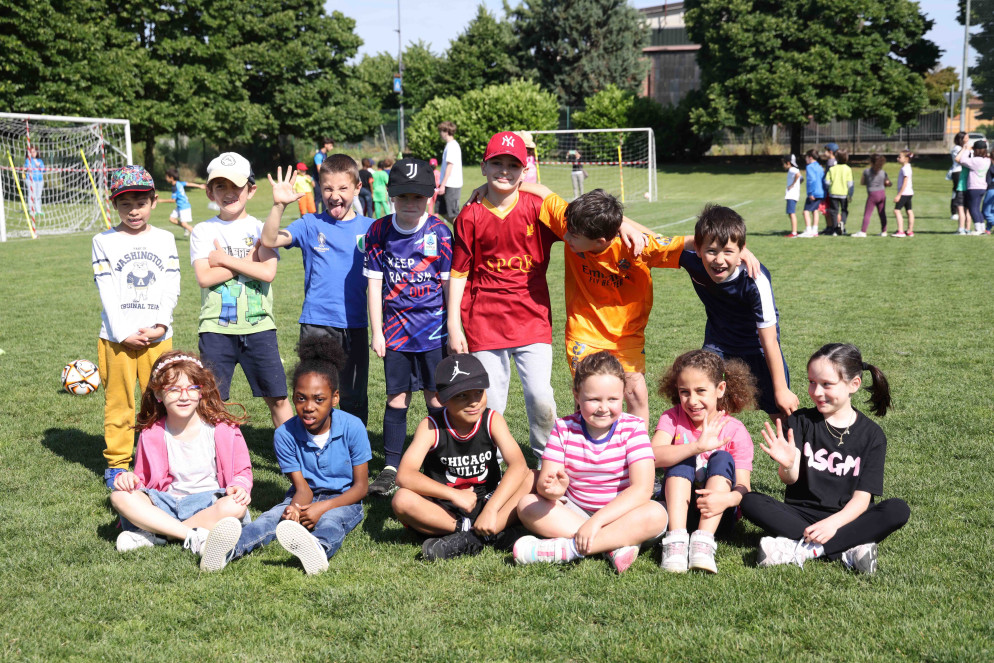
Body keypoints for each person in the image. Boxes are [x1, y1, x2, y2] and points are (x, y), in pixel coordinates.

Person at [511, 182, 682, 425]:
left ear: (601, 240)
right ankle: (586, 455)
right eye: (567, 230)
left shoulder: (636, 246)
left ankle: (638, 456)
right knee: (587, 396)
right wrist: (489, 188)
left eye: (574, 236)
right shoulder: (575, 223)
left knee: (636, 393)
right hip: (584, 332)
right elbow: (545, 192)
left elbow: (689, 243)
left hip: (626, 335)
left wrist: (742, 250)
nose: (565, 237)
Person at [198, 336, 372, 574]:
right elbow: (303, 488)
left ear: (335, 398)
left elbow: (361, 487)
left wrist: (323, 508)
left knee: (332, 522)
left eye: (319, 399)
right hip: (304, 494)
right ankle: (227, 551)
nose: (308, 406)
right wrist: (295, 508)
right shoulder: (285, 434)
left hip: (344, 498)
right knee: (269, 519)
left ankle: (318, 549)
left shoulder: (353, 427)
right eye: (300, 398)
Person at [741, 343, 910, 574]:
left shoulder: (872, 435)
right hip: (800, 513)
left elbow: (862, 500)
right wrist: (788, 464)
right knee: (750, 501)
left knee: (897, 509)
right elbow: (789, 480)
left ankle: (803, 550)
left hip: (847, 517)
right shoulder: (800, 421)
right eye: (812, 382)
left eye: (826, 384)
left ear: (854, 385)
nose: (816, 392)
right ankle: (848, 550)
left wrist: (833, 525)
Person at [447, 131, 560, 459]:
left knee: (541, 396)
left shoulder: (537, 207)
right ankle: (491, 464)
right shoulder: (470, 215)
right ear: (483, 167)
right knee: (491, 401)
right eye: (497, 162)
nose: (504, 170)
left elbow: (576, 220)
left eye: (514, 165)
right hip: (484, 319)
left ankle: (545, 460)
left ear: (525, 172)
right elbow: (458, 272)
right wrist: (454, 324)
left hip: (532, 317)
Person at [514, 352, 668, 574]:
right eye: (594, 399)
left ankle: (568, 548)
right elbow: (547, 482)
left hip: (623, 513)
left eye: (612, 399)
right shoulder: (563, 428)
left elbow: (642, 490)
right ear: (577, 395)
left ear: (623, 395)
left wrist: (596, 523)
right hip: (575, 512)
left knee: (657, 514)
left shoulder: (633, 428)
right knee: (527, 505)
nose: (603, 407)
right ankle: (614, 544)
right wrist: (552, 491)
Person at [260, 154, 375, 425]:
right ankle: (313, 451)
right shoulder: (310, 224)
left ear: (357, 188)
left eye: (343, 188)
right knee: (315, 394)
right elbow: (269, 239)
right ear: (319, 189)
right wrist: (278, 205)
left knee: (353, 396)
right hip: (316, 325)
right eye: (328, 189)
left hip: (355, 324)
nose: (335, 195)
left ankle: (352, 453)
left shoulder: (371, 229)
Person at [364, 157, 453, 496]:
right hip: (396, 332)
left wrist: (453, 329)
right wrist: (377, 331)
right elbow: (373, 284)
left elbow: (447, 287)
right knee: (397, 398)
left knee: (436, 397)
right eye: (404, 197)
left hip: (433, 333)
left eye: (418, 197)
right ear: (392, 197)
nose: (411, 204)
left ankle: (439, 459)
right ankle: (391, 465)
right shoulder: (379, 231)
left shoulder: (440, 232)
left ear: (430, 197)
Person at [110, 351, 252, 559]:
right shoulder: (151, 434)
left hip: (209, 503)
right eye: (174, 390)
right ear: (159, 395)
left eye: (192, 388)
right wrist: (130, 479)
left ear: (201, 391)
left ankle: (157, 534)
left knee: (235, 506)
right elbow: (145, 482)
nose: (184, 396)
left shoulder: (224, 429)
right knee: (119, 496)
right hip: (166, 502)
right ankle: (192, 536)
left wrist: (239, 486)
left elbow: (242, 470)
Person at [392, 354, 531, 560]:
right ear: (441, 399)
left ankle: (475, 536)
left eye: (479, 392)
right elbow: (404, 475)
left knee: (533, 477)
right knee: (401, 499)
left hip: (489, 501)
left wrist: (491, 509)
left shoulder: (492, 420)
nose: (474, 402)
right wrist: (454, 496)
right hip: (445, 510)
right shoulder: (431, 426)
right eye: (462, 396)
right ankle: (476, 532)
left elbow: (519, 466)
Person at [93, 165, 181, 488]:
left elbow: (171, 285)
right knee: (120, 402)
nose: (133, 210)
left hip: (157, 337)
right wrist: (122, 333)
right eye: (125, 203)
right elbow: (106, 291)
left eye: (140, 202)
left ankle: (157, 458)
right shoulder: (103, 241)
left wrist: (160, 325)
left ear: (154, 201)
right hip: (116, 340)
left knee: (159, 400)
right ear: (113, 204)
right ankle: (117, 463)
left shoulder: (166, 238)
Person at [190, 152, 292, 428]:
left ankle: (297, 461)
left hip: (259, 328)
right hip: (216, 330)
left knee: (279, 398)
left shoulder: (261, 228)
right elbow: (204, 277)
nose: (229, 193)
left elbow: (267, 272)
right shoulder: (202, 230)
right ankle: (213, 463)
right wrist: (248, 262)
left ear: (251, 189)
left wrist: (224, 260)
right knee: (212, 402)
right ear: (209, 191)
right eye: (220, 186)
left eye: (237, 185)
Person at [679, 204, 799, 420]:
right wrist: (621, 223)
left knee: (782, 416)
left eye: (728, 251)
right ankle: (707, 452)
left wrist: (781, 389)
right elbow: (653, 241)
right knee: (702, 407)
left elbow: (770, 341)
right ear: (698, 248)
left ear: (741, 249)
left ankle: (795, 453)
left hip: (758, 348)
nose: (719, 260)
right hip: (718, 345)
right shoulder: (692, 260)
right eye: (711, 250)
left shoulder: (755, 279)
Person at [652, 350, 757, 574]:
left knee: (722, 457)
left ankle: (703, 543)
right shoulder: (672, 418)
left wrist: (727, 499)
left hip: (717, 515)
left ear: (720, 389)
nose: (692, 401)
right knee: (682, 456)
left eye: (700, 391)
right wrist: (696, 447)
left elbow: (743, 486)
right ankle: (676, 542)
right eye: (684, 392)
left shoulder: (735, 430)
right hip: (676, 512)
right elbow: (651, 457)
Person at [955, 139, 991, 235]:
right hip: (982, 187)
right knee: (977, 208)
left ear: (976, 150)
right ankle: (982, 227)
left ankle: (978, 229)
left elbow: (962, 160)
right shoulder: (987, 160)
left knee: (973, 208)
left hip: (974, 187)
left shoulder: (975, 161)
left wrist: (967, 149)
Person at [855, 154, 891, 237]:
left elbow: (862, 183)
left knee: (867, 213)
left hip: (872, 194)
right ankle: (884, 231)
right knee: (882, 213)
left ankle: (863, 231)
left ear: (871, 162)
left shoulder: (866, 172)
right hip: (882, 194)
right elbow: (888, 183)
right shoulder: (883, 172)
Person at [163, 167, 205, 237]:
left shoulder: (174, 187)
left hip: (184, 207)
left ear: (171, 178)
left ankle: (198, 235)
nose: (166, 178)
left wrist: (161, 200)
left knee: (184, 224)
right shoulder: (179, 183)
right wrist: (199, 185)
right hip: (180, 206)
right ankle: (186, 229)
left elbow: (173, 200)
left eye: (167, 177)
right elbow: (188, 184)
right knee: (172, 219)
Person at [437, 121, 462, 220]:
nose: (440, 134)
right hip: (447, 184)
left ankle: (463, 233)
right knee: (441, 210)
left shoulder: (452, 146)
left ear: (446, 131)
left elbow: (449, 166)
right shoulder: (449, 145)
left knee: (452, 214)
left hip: (451, 185)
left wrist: (443, 184)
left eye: (441, 131)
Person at [824, 148, 853, 236]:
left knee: (833, 211)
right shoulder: (848, 169)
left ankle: (835, 230)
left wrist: (828, 188)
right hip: (843, 194)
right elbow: (850, 183)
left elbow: (827, 182)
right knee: (844, 210)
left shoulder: (832, 169)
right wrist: (850, 194)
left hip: (833, 193)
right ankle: (842, 223)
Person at [801, 150, 824, 237]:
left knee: (806, 211)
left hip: (813, 192)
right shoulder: (819, 167)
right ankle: (815, 230)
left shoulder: (809, 167)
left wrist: (810, 192)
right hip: (820, 192)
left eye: (806, 157)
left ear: (810, 157)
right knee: (815, 211)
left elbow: (811, 180)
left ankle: (808, 230)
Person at [892, 150, 915, 237]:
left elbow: (905, 182)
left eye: (899, 157)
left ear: (906, 159)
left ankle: (900, 231)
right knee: (909, 211)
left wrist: (899, 195)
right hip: (909, 193)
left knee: (897, 210)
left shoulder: (905, 168)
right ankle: (910, 231)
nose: (897, 158)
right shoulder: (908, 167)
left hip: (904, 193)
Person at [949, 132, 968, 232]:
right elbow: (959, 160)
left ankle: (962, 212)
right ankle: (954, 212)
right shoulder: (957, 148)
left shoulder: (966, 147)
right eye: (966, 136)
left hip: (963, 172)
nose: (968, 138)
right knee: (957, 192)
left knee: (961, 192)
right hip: (958, 172)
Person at [781, 154, 802, 237]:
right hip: (792, 194)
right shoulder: (793, 169)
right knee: (790, 213)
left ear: (788, 163)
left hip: (792, 195)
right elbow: (801, 178)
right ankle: (794, 232)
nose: (783, 165)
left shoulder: (792, 169)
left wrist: (793, 184)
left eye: (784, 163)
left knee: (791, 213)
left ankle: (794, 232)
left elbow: (798, 175)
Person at [313, 137, 335, 212]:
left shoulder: (325, 154)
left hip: (323, 181)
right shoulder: (318, 155)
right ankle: (315, 216)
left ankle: (323, 215)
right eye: (331, 145)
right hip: (317, 180)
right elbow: (319, 170)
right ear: (325, 145)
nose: (332, 147)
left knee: (324, 198)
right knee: (317, 199)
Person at [23, 146, 44, 217]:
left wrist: (39, 166)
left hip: (40, 180)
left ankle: (38, 210)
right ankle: (31, 210)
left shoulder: (40, 161)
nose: (33, 153)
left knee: (38, 195)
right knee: (32, 195)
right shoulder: (28, 160)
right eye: (32, 152)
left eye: (34, 151)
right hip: (31, 179)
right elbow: (27, 168)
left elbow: (43, 169)